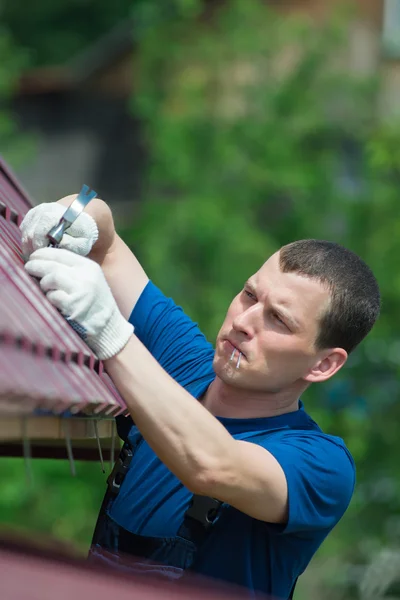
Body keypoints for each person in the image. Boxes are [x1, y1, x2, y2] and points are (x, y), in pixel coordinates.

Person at [20, 195, 381, 599]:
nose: (243, 321)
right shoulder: (183, 362)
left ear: (323, 365)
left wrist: (108, 331)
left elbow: (211, 465)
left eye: (278, 319)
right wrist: (79, 216)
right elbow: (108, 244)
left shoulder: (320, 465)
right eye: (249, 295)